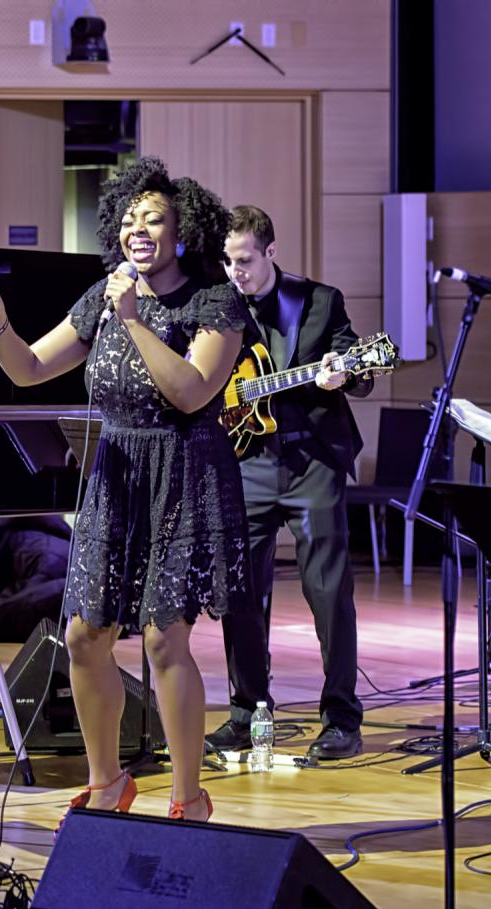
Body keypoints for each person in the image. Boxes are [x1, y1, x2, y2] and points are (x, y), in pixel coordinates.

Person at [0, 158, 250, 823]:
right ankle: (107, 780)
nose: (138, 230)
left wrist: (137, 320)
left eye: (155, 219)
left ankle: (187, 797)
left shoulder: (213, 302)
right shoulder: (103, 294)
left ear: (184, 230)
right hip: (114, 478)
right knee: (85, 635)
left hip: (182, 478)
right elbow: (28, 369)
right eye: (129, 218)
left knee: (164, 640)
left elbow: (192, 390)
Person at [203, 205, 373, 762]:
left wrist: (345, 371)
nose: (236, 273)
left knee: (328, 591)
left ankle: (341, 717)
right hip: (244, 461)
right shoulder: (216, 305)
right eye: (227, 262)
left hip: (310, 461)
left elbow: (361, 369)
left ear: (271, 251)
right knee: (239, 592)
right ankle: (247, 711)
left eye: (246, 260)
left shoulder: (319, 301)